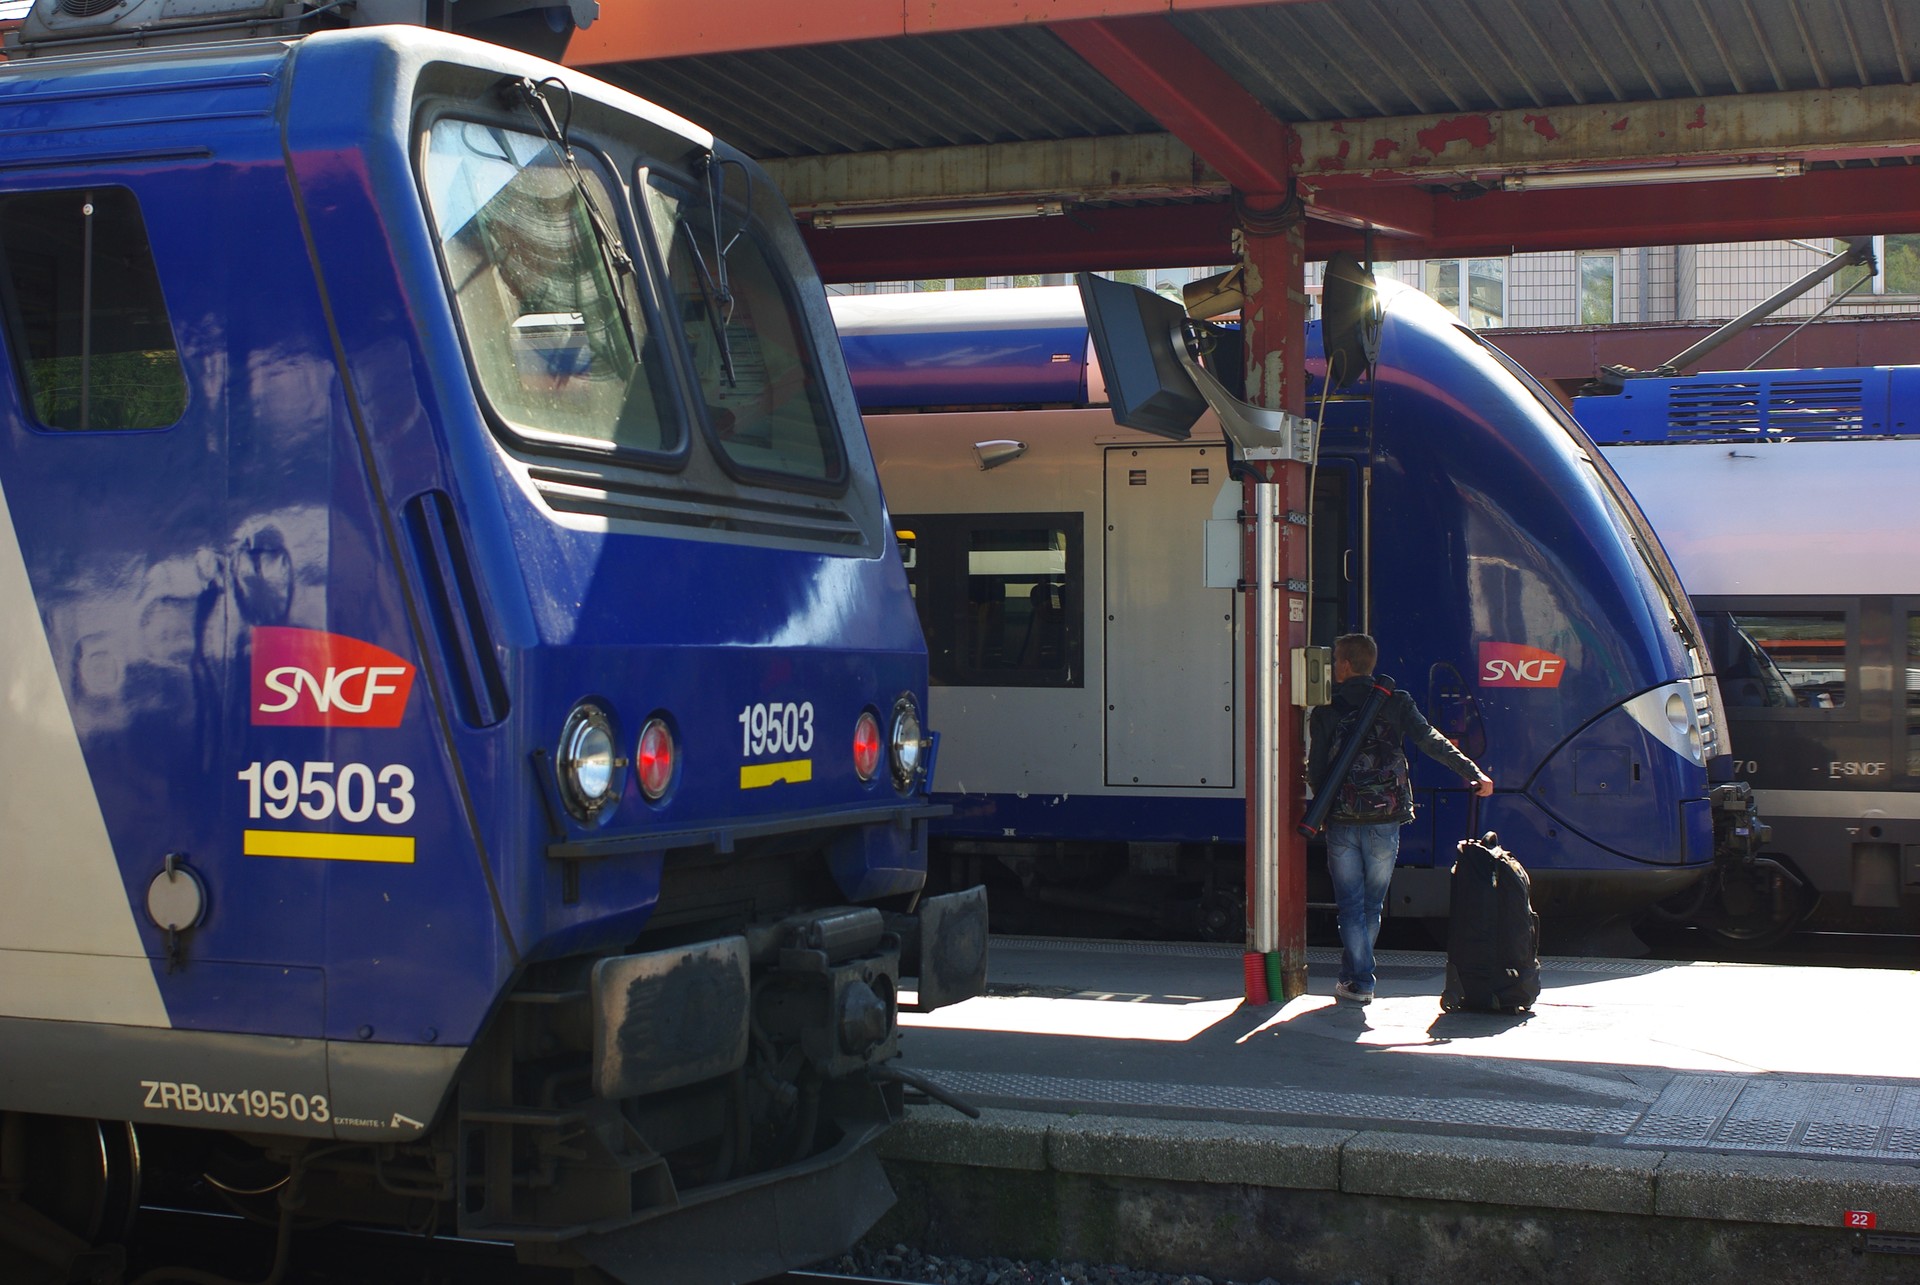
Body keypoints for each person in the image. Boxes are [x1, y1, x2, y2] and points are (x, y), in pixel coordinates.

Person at [1306, 632, 1494, 1005]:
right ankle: (1354, 979)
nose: (1334, 666)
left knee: (1350, 906)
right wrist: (1473, 772)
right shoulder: (1395, 701)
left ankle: (1360, 980)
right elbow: (1431, 741)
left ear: (1346, 664)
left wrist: (1323, 810)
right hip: (1386, 817)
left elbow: (1317, 770)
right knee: (1371, 906)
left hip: (1342, 817)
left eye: (1336, 660)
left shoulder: (1327, 709)